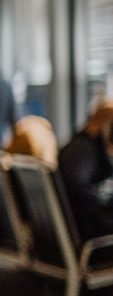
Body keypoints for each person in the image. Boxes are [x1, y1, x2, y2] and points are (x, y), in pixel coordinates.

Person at [58, 102, 113, 241]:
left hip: (70, 231)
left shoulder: (77, 145)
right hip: (88, 236)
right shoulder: (85, 152)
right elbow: (78, 188)